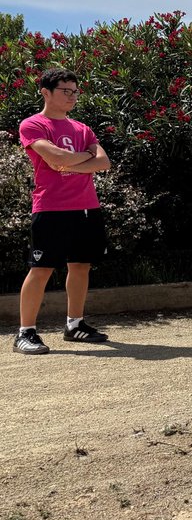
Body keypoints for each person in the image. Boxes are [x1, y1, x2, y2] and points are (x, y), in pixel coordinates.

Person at [14, 69, 111, 354]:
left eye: (75, 91)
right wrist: (83, 158)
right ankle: (25, 332)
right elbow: (54, 157)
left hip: (87, 207)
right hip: (51, 207)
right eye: (65, 91)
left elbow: (103, 162)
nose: (72, 96)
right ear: (46, 92)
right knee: (41, 269)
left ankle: (75, 325)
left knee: (81, 266)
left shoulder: (83, 129)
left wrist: (70, 162)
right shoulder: (33, 125)